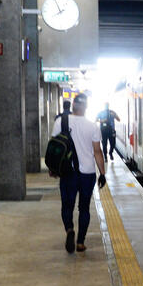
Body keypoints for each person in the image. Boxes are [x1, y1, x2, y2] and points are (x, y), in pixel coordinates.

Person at [51, 93, 106, 253]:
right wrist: (102, 173)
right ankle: (80, 242)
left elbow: (54, 147)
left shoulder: (60, 122)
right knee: (84, 208)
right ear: (86, 107)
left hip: (68, 172)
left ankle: (69, 230)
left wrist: (53, 168)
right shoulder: (92, 126)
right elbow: (97, 152)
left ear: (73, 105)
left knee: (67, 206)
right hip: (87, 173)